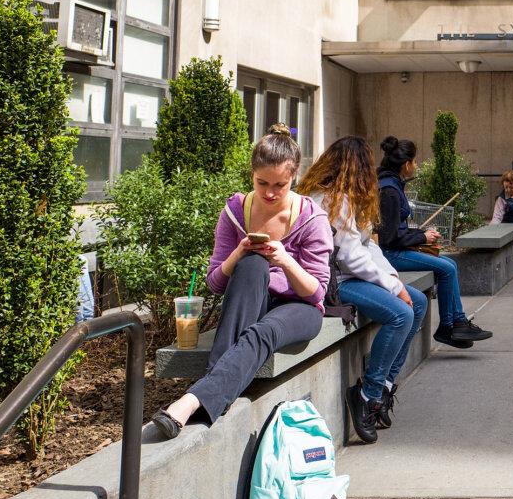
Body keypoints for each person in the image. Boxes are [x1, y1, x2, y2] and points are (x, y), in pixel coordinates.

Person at [151, 125, 332, 439]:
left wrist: (285, 260)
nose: (270, 193)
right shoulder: (235, 211)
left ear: (295, 177)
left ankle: (192, 399)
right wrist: (238, 252)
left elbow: (316, 290)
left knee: (262, 332)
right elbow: (215, 283)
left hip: (299, 308)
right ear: (252, 174)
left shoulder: (312, 218)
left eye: (280, 184)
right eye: (262, 183)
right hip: (252, 300)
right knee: (250, 264)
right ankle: (210, 395)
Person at [297, 136, 427, 444]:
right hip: (335, 283)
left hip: (350, 276)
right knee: (401, 314)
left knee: (417, 303)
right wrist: (395, 288)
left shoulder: (345, 197)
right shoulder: (330, 199)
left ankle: (383, 386)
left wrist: (394, 279)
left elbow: (367, 246)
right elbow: (349, 257)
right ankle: (367, 395)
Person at [377, 136, 492, 350]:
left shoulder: (392, 185)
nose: (417, 165)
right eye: (415, 161)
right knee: (447, 268)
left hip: (393, 249)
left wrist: (420, 233)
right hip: (390, 254)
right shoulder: (390, 191)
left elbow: (393, 229)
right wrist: (422, 237)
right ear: (406, 164)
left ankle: (453, 324)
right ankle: (451, 325)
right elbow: (389, 237)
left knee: (450, 265)